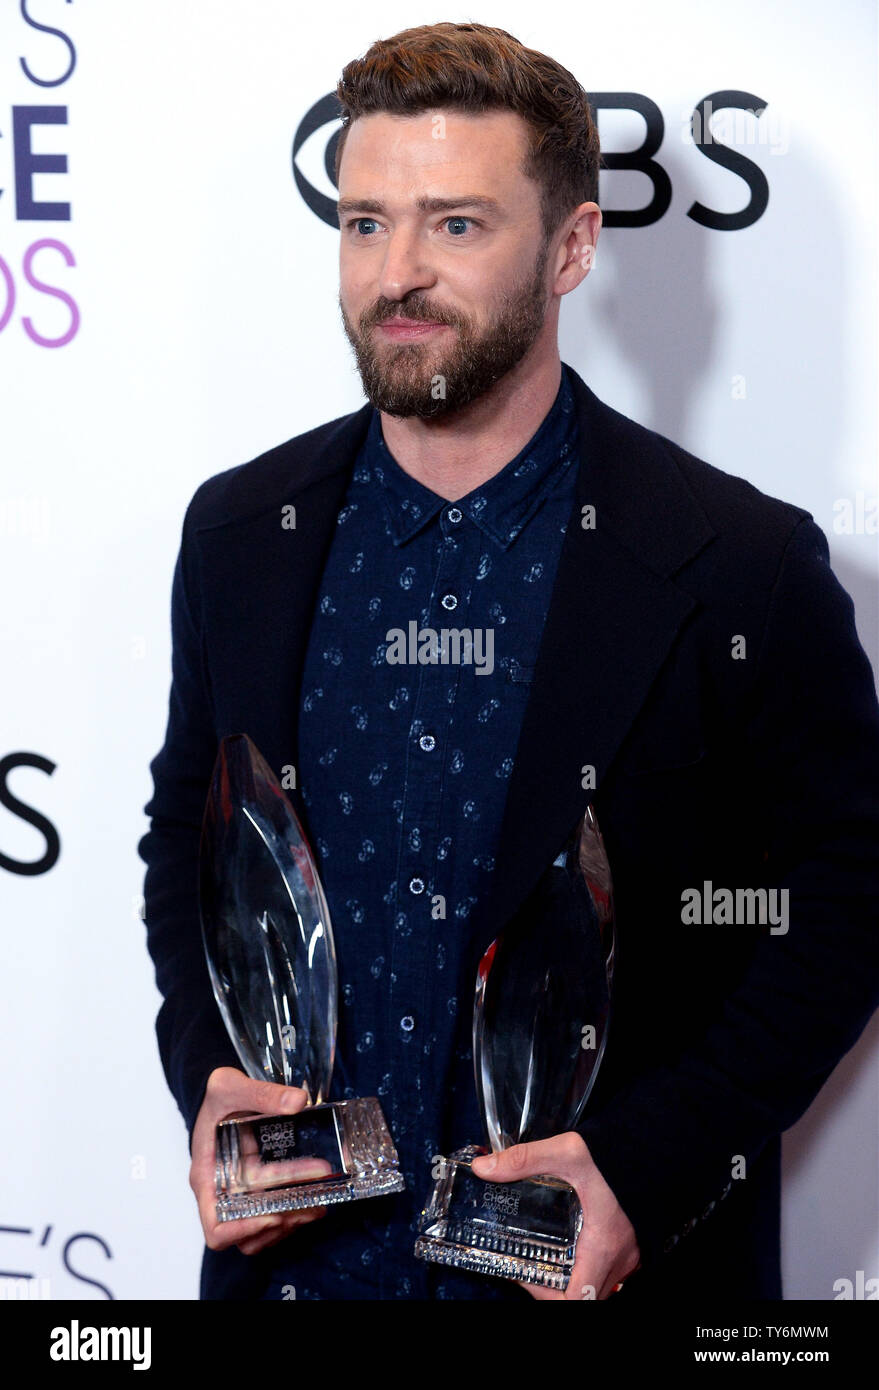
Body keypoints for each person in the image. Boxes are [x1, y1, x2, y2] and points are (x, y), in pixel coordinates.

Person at [138, 21, 879, 1302]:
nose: (399, 273)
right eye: (365, 222)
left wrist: (649, 1164)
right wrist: (210, 1075)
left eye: (457, 226)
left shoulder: (738, 566)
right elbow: (185, 834)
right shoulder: (241, 533)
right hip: (294, 1279)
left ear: (573, 247)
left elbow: (853, 893)